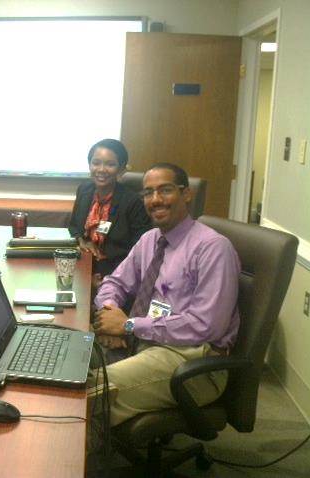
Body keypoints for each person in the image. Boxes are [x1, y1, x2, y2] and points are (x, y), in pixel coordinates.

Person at [87, 163, 240, 468]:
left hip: (193, 361)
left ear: (187, 194)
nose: (155, 199)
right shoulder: (150, 240)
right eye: (148, 193)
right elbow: (115, 283)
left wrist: (129, 326)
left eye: (165, 190)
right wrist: (109, 314)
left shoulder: (213, 248)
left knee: (90, 393)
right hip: (147, 342)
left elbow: (206, 325)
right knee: (67, 362)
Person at [68, 138, 151, 279]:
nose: (101, 170)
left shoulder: (133, 202)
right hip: (83, 262)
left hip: (115, 271)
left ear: (121, 169)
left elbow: (138, 251)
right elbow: (74, 226)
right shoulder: (84, 190)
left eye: (110, 164)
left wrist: (109, 278)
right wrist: (82, 241)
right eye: (96, 163)